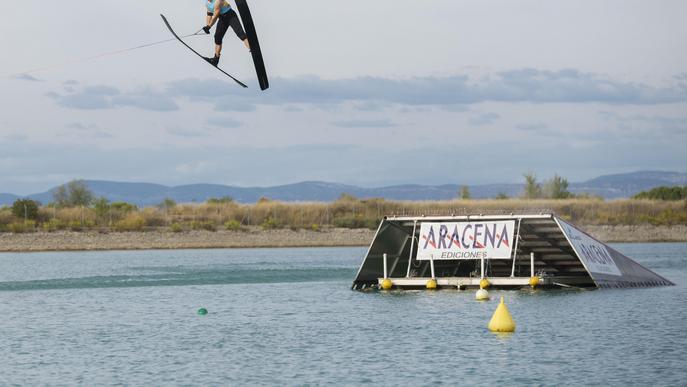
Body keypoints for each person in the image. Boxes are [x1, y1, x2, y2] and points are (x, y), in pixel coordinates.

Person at [202, 0, 250, 66]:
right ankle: (215, 60)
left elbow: (215, 16)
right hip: (222, 18)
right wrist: (207, 26)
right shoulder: (207, 3)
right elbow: (209, 14)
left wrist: (209, 26)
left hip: (230, 15)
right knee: (217, 37)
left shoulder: (218, 1)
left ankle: (252, 49)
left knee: (240, 34)